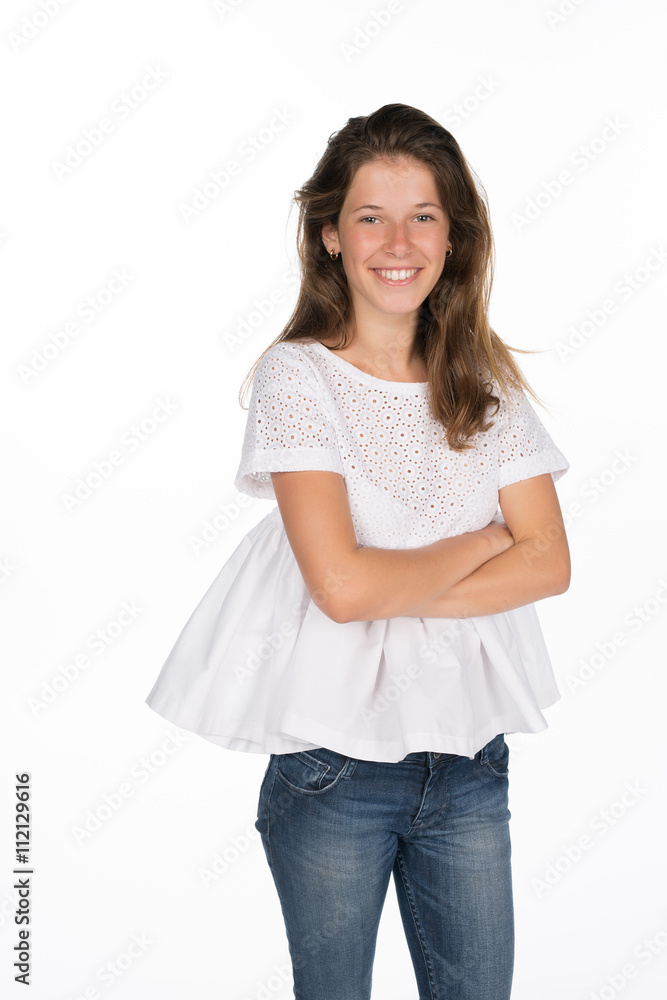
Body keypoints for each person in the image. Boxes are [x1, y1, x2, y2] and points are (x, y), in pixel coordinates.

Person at [145, 103, 571, 1000]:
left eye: (423, 215)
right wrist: (486, 539)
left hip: (467, 764)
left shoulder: (484, 387)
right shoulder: (297, 378)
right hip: (331, 769)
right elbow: (340, 589)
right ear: (330, 235)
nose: (397, 241)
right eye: (370, 216)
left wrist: (405, 581)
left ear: (454, 238)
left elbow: (549, 565)